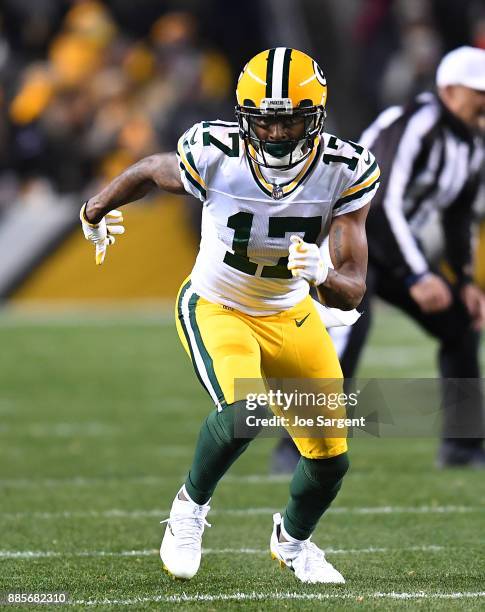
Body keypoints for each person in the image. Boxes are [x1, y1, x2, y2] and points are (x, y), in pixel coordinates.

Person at [80, 48, 380, 583]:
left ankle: (293, 542)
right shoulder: (215, 150)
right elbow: (150, 169)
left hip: (292, 314)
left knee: (331, 459)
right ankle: (188, 512)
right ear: (245, 116)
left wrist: (323, 276)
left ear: (317, 116)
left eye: (291, 119)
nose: (278, 132)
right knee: (246, 412)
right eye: (265, 118)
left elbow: (352, 292)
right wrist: (95, 209)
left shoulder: (345, 169)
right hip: (219, 304)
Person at [333, 46, 485, 468]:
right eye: (480, 92)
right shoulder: (416, 123)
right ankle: (298, 450)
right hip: (347, 243)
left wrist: (466, 281)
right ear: (450, 90)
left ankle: (463, 446)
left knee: (460, 323)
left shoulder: (472, 142)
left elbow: (459, 216)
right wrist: (418, 274)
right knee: (345, 336)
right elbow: (379, 204)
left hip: (394, 250)